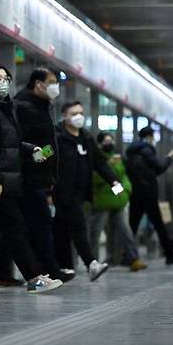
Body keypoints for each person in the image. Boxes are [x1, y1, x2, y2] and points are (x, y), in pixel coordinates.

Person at [0, 64, 63, 294]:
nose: (3, 82)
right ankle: (34, 277)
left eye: (6, 77)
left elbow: (11, 143)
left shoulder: (7, 108)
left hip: (6, 180)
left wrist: (31, 149)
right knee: (15, 229)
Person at [15, 68, 74, 283]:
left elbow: (47, 147)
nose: (54, 86)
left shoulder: (41, 107)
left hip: (41, 178)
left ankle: (46, 267)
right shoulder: (26, 107)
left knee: (38, 225)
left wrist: (48, 155)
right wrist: (42, 155)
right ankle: (49, 268)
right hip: (31, 177)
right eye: (51, 82)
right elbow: (29, 144)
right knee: (40, 225)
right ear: (38, 84)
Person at [52, 102, 116, 281]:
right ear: (65, 116)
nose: (78, 116)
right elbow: (46, 159)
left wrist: (113, 182)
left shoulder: (86, 138)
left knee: (62, 230)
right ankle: (91, 264)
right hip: (61, 192)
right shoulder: (57, 137)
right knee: (77, 227)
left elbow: (100, 163)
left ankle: (65, 268)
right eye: (74, 113)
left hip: (79, 194)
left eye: (81, 112)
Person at [125, 126, 173, 265]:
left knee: (132, 225)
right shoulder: (146, 150)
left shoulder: (132, 152)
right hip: (148, 194)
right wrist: (168, 159)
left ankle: (126, 255)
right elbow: (159, 167)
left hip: (136, 193)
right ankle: (170, 254)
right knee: (159, 225)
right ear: (149, 136)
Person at [88, 132, 147, 272]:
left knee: (125, 230)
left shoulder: (118, 158)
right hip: (102, 202)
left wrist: (126, 191)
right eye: (106, 141)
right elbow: (94, 178)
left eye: (111, 140)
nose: (110, 143)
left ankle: (133, 258)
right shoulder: (97, 159)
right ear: (100, 144)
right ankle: (92, 262)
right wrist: (108, 166)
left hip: (118, 201)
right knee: (95, 232)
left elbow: (123, 177)